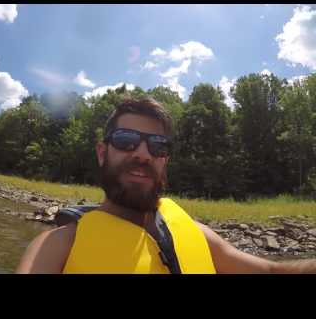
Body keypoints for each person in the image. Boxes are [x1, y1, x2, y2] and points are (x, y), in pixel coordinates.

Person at [16, 97, 316, 274]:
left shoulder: (197, 232)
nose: (142, 154)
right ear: (102, 152)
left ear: (165, 160)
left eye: (157, 146)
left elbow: (273, 270)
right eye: (126, 141)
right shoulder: (56, 246)